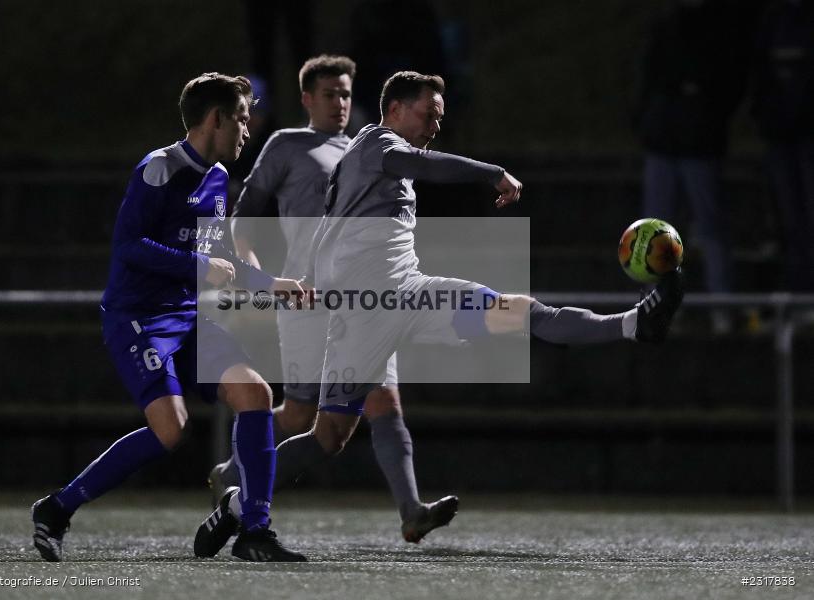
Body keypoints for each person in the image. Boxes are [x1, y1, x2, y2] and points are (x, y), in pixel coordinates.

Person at [195, 71, 685, 556]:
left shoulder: (383, 160)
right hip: (364, 311)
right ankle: (240, 503)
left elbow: (413, 175)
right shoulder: (374, 144)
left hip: (408, 297)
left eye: (439, 117)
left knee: (521, 313)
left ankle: (634, 324)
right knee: (325, 433)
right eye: (428, 114)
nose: (434, 125)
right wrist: (490, 171)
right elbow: (424, 165)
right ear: (394, 110)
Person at [30, 73, 307, 563]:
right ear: (215, 119)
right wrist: (199, 266)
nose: (247, 130)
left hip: (186, 317)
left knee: (256, 394)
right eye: (241, 119)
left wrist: (272, 286)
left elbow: (219, 260)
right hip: (137, 318)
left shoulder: (219, 179)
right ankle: (57, 508)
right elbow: (129, 246)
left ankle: (254, 529)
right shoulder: (160, 168)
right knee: (171, 430)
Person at [202, 55, 457, 548]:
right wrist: (256, 272)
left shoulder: (368, 146)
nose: (340, 103)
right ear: (306, 99)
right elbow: (245, 214)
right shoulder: (287, 145)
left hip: (365, 299)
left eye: (345, 94)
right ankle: (233, 471)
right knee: (299, 416)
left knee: (384, 401)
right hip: (308, 297)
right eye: (329, 94)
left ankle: (411, 510)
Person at [633, 0, 757, 332]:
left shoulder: (720, 28)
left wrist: (706, 112)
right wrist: (649, 119)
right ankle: (660, 304)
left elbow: (732, 79)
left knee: (710, 226)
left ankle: (722, 306)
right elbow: (647, 77)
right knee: (657, 230)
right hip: (665, 140)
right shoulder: (664, 26)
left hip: (699, 143)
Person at [751, 0, 814, 291]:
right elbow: (759, 72)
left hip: (801, 134)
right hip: (780, 135)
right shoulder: (773, 20)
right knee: (789, 219)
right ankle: (798, 285)